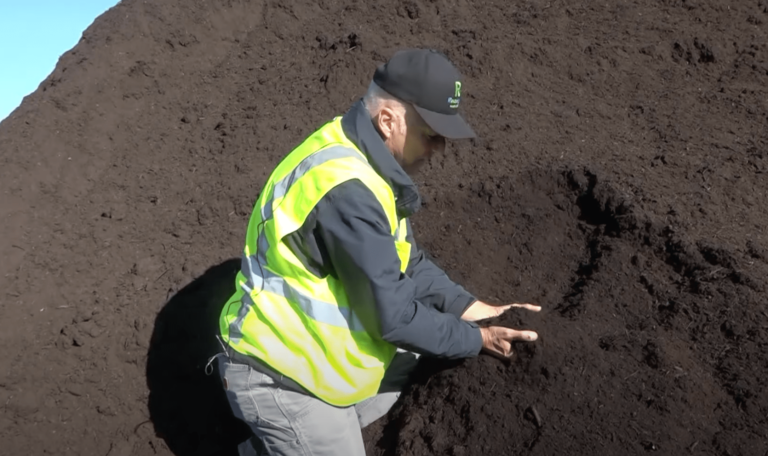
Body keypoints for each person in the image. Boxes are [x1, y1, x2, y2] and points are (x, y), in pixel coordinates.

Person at [213, 48, 540, 456]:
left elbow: (408, 261)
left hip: (318, 359)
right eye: (432, 135)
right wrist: (479, 339)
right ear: (389, 121)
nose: (439, 150)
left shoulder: (366, 161)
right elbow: (395, 317)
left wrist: (472, 308)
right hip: (282, 374)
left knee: (416, 357)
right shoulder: (348, 189)